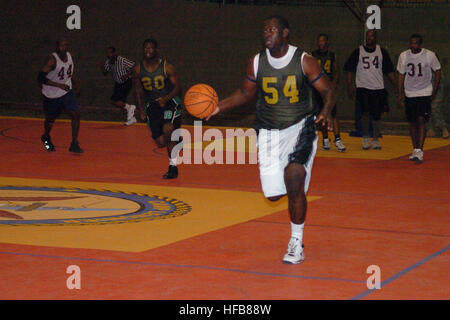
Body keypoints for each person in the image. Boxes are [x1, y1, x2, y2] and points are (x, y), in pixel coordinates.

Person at [207, 16, 334, 264]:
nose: (267, 33)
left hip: (300, 126)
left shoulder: (304, 60)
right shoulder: (256, 62)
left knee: (294, 175)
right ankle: (294, 192)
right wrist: (217, 108)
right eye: (264, 29)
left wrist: (326, 112)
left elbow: (328, 90)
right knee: (273, 194)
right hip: (268, 131)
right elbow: (245, 93)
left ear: (285, 33)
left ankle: (296, 242)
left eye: (272, 29)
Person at [133, 38, 183, 179]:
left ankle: (173, 167)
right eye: (145, 48)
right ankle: (177, 139)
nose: (147, 50)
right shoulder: (138, 69)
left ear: (156, 50)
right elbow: (137, 90)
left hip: (170, 102)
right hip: (153, 105)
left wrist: (166, 98)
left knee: (168, 129)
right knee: (161, 142)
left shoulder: (167, 67)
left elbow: (178, 88)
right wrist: (141, 109)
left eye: (150, 48)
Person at [344, 30, 397, 150]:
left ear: (375, 38)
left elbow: (389, 71)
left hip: (378, 87)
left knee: (377, 115)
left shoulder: (381, 52)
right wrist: (349, 85)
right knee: (365, 113)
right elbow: (349, 69)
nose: (369, 38)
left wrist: (397, 86)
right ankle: (366, 137)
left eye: (371, 36)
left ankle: (376, 139)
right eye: (367, 36)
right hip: (363, 87)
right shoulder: (358, 51)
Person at [397, 34, 442, 163]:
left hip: (424, 91)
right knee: (412, 122)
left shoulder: (429, 55)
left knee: (421, 119)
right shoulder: (404, 56)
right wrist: (399, 93)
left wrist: (434, 89)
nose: (413, 46)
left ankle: (419, 150)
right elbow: (401, 74)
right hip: (410, 92)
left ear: (420, 44)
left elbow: (438, 70)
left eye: (416, 43)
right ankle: (415, 148)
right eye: (411, 43)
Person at [37, 38, 83, 153]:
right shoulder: (52, 60)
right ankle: (46, 137)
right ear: (57, 47)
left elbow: (69, 72)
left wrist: (76, 83)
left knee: (76, 114)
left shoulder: (69, 56)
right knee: (50, 120)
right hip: (52, 95)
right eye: (61, 46)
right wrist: (58, 85)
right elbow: (40, 78)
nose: (64, 48)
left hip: (67, 92)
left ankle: (74, 143)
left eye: (65, 45)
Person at [312, 33, 346, 152]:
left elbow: (336, 71)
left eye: (322, 41)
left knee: (334, 113)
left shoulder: (332, 55)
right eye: (319, 41)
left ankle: (337, 139)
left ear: (327, 42)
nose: (320, 43)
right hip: (317, 89)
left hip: (328, 88)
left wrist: (333, 85)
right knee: (321, 114)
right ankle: (325, 138)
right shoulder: (312, 55)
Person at [101, 46, 137, 126]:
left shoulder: (122, 60)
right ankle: (131, 115)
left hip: (126, 82)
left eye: (110, 53)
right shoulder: (108, 62)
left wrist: (127, 75)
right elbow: (105, 72)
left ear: (114, 53)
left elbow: (134, 66)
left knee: (117, 101)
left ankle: (130, 110)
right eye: (107, 53)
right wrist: (102, 67)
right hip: (118, 83)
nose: (109, 55)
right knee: (115, 102)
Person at [428, 68, 449, 139]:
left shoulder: (438, 71)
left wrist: (434, 93)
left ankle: (444, 129)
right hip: (425, 93)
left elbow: (440, 84)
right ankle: (430, 129)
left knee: (435, 109)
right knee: (427, 110)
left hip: (437, 93)